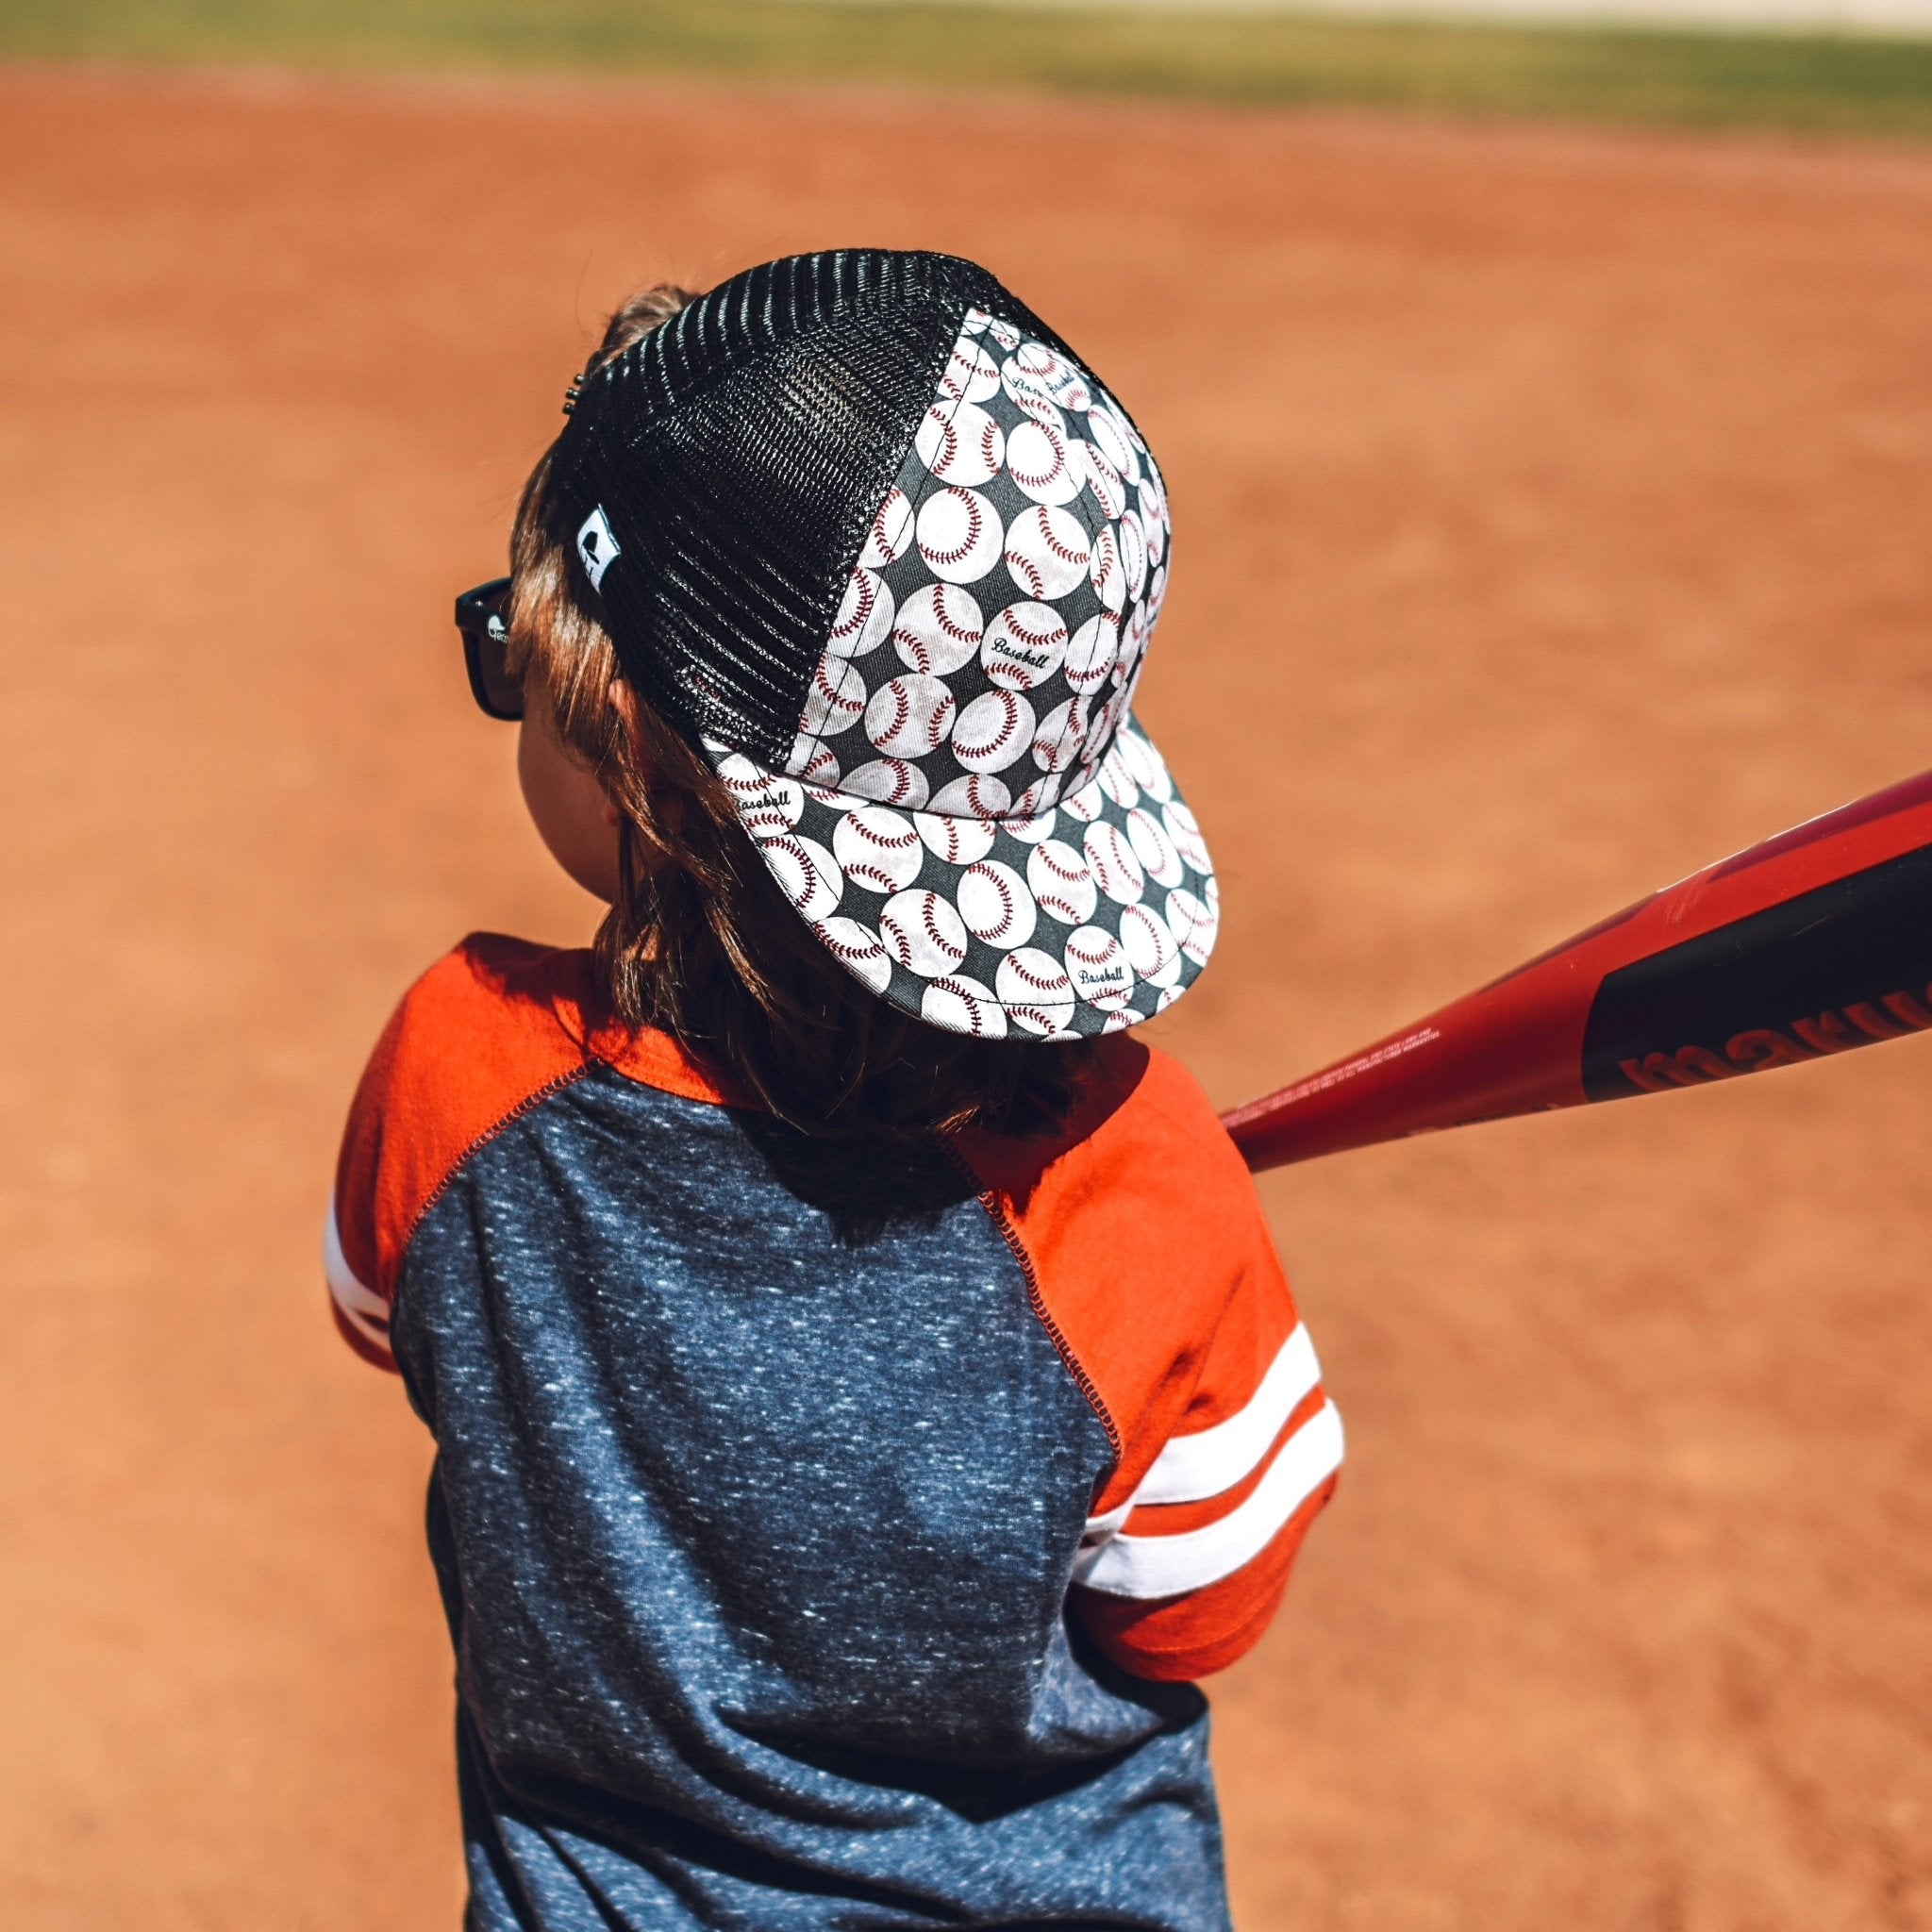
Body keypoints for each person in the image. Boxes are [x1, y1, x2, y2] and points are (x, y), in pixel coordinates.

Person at [326, 249, 1342, 1932]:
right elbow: (1196, 1607)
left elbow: (385, 1325)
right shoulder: (1133, 1179)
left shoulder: (459, 1063)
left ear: (627, 761)